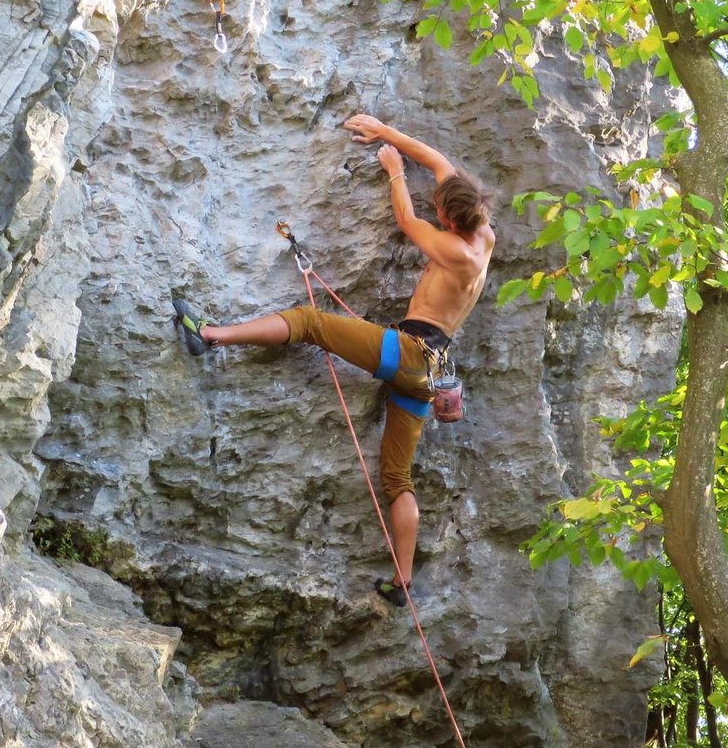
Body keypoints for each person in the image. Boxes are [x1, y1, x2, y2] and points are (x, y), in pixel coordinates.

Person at [173, 114, 494, 607]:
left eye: (440, 211)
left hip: (409, 352)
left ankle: (210, 335)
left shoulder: (456, 252)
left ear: (450, 221)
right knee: (398, 477)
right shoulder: (483, 235)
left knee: (310, 322)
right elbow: (440, 163)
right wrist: (385, 132)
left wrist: (394, 171)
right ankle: (403, 583)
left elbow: (408, 221)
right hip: (429, 373)